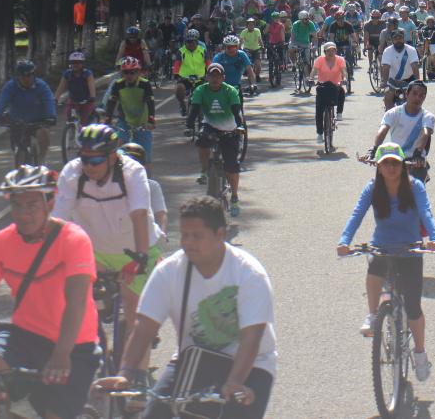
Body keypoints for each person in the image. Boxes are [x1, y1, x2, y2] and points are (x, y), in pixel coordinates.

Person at [0, 166, 100, 419]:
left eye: (32, 205)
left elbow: (75, 303)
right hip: (24, 336)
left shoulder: (74, 240)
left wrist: (61, 354)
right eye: (17, 205)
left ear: (50, 203)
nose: (23, 214)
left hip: (73, 344)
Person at [95, 196, 277, 419]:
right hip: (194, 359)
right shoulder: (170, 271)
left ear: (220, 234)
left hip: (250, 366)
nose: (188, 242)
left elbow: (251, 338)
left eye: (196, 236)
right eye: (184, 235)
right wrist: (126, 373)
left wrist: (235, 381)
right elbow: (143, 328)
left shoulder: (249, 274)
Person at [53, 124, 164, 367]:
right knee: (80, 307)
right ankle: (95, 358)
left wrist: (140, 258)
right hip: (94, 252)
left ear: (113, 157)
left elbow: (139, 215)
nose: (89, 166)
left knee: (135, 315)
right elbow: (58, 220)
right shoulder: (72, 173)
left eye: (96, 160)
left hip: (135, 248)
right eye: (84, 159)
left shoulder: (132, 172)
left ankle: (137, 376)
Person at [338, 143, 435, 379]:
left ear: (403, 165)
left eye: (395, 162)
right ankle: (373, 314)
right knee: (375, 268)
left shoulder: (414, 186)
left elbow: (426, 212)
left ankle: (420, 354)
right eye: (386, 163)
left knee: (413, 307)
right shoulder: (372, 188)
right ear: (378, 166)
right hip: (382, 246)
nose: (391, 167)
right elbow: (356, 214)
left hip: (410, 249)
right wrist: (344, 241)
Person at [187, 63, 245, 216]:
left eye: (218, 76)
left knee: (232, 165)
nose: (215, 79)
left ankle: (234, 197)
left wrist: (239, 127)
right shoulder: (200, 90)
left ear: (223, 78)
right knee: (201, 141)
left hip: (229, 128)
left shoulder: (230, 91)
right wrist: (189, 126)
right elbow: (194, 110)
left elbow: (236, 112)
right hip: (210, 125)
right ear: (207, 77)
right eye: (212, 76)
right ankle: (204, 170)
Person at [366, 81, 435, 183]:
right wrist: (374, 149)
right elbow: (383, 130)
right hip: (394, 159)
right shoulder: (393, 113)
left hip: (415, 162)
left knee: (417, 189)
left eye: (422, 95)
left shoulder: (428, 117)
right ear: (407, 94)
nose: (417, 98)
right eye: (414, 93)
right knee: (379, 188)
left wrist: (418, 153)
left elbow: (426, 133)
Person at [0, 59, 57, 164]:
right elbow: (2, 101)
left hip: (38, 120)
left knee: (44, 133)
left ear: (34, 75)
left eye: (29, 75)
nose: (26, 79)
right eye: (22, 76)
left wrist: (51, 116)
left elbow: (49, 101)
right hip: (17, 120)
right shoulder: (10, 86)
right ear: (18, 76)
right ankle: (19, 162)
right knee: (17, 146)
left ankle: (41, 160)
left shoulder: (42, 86)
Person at [106, 56, 156, 166]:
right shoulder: (118, 84)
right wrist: (108, 119)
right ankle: (117, 170)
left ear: (138, 72)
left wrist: (151, 120)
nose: (129, 75)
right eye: (126, 72)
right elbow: (111, 102)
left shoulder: (145, 84)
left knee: (146, 157)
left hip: (142, 122)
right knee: (119, 149)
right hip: (124, 120)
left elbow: (150, 103)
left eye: (132, 72)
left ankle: (146, 175)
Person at [120, 143, 167, 233]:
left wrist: (162, 233)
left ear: (143, 167)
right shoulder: (111, 187)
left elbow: (160, 213)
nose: (131, 167)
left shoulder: (152, 186)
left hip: (145, 233)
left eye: (135, 164)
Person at [310, 42, 347, 142]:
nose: (331, 53)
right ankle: (320, 133)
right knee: (319, 110)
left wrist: (345, 78)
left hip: (335, 85)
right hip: (323, 86)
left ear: (335, 51)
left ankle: (339, 113)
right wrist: (311, 78)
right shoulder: (319, 60)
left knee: (342, 91)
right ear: (324, 52)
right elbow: (314, 70)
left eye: (333, 50)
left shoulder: (340, 60)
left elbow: (344, 71)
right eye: (328, 51)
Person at [380, 29, 420, 110]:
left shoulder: (411, 50)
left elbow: (415, 66)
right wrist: (384, 82)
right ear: (392, 40)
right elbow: (385, 67)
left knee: (414, 100)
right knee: (388, 96)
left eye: (400, 38)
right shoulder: (388, 51)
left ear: (404, 39)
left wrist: (418, 82)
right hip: (392, 81)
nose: (398, 40)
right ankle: (389, 115)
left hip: (409, 81)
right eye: (395, 38)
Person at [54, 51, 97, 125]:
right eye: (73, 62)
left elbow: (91, 86)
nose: (75, 65)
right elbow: (61, 87)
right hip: (73, 100)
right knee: (70, 116)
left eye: (77, 62)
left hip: (86, 100)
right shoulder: (67, 74)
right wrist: (55, 99)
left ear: (82, 64)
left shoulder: (87, 73)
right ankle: (71, 129)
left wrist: (92, 97)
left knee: (85, 121)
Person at [174, 29, 209, 117]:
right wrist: (177, 75)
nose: (190, 44)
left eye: (192, 42)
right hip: (185, 78)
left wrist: (209, 73)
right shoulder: (181, 51)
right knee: (179, 89)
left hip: (200, 78)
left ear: (196, 42)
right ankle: (182, 105)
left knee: (205, 94)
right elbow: (177, 64)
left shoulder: (203, 51)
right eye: (188, 42)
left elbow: (208, 63)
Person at [239, 18, 264, 82]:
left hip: (256, 49)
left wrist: (262, 46)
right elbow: (241, 41)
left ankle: (257, 75)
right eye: (249, 25)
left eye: (252, 24)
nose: (251, 26)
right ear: (247, 25)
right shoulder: (244, 32)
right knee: (248, 64)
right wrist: (239, 48)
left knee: (258, 64)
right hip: (247, 49)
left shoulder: (257, 30)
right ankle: (248, 73)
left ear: (254, 25)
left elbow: (260, 39)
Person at [418, 16, 435, 81]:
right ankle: (422, 58)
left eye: (432, 22)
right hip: (425, 43)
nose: (430, 23)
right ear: (427, 22)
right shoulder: (424, 28)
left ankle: (434, 67)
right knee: (419, 46)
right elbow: (420, 33)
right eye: (429, 22)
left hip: (434, 44)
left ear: (434, 22)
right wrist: (419, 32)